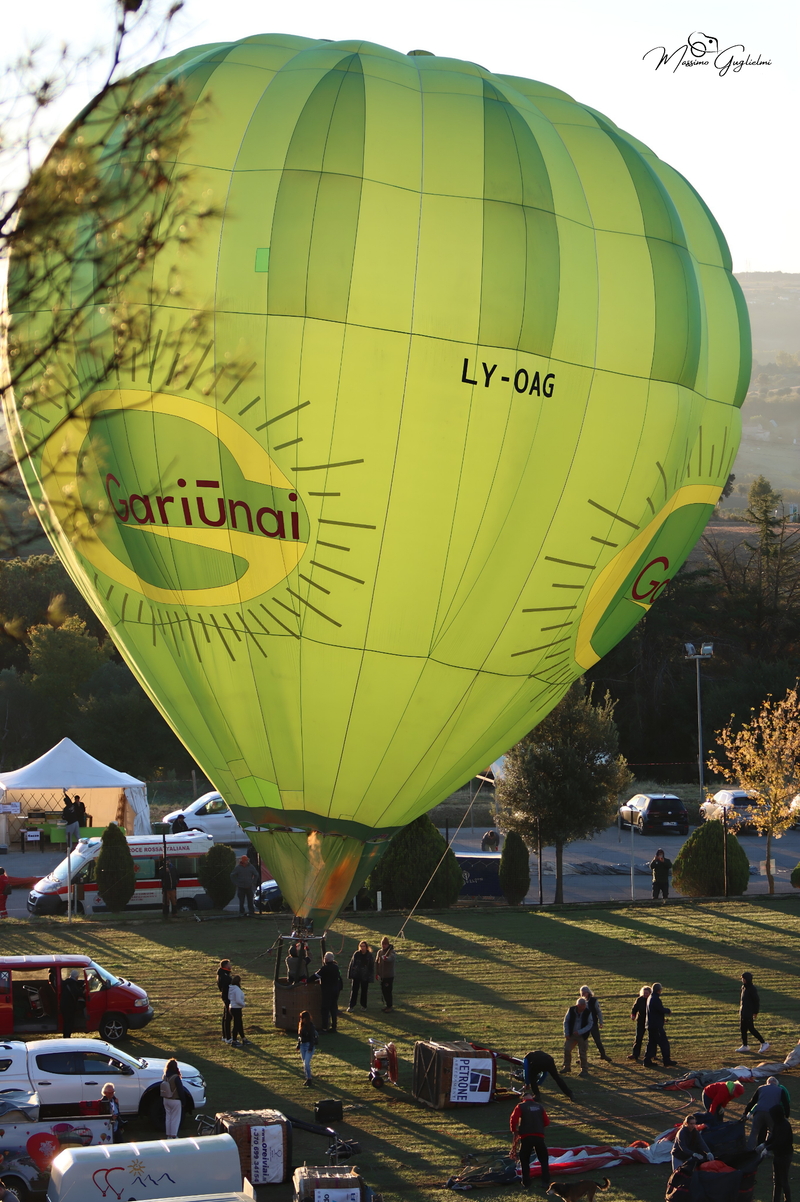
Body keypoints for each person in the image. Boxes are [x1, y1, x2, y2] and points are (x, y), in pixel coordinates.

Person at [509, 1088, 551, 1190]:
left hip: (526, 1137)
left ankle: (526, 1183)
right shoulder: (540, 1107)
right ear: (532, 1097)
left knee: (524, 1160)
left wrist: (514, 1130)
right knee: (544, 1160)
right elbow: (547, 1122)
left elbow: (513, 1119)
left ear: (523, 1098)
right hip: (539, 1137)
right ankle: (545, 1182)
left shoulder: (521, 1106)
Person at [744, 1076, 791, 1148]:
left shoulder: (761, 1088)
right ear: (776, 1083)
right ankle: (767, 1149)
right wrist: (786, 1116)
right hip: (771, 1114)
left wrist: (746, 1112)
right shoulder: (780, 1090)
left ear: (767, 1082)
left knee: (754, 1132)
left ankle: (750, 1149)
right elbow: (786, 1104)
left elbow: (753, 1102)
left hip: (758, 1112)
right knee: (772, 1132)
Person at [643, 982, 676, 1068]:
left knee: (651, 1043)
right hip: (656, 1026)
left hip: (650, 1024)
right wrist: (668, 1010)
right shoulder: (656, 999)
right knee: (664, 1043)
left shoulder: (650, 997)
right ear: (659, 990)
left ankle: (647, 1060)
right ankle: (666, 1060)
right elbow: (660, 1009)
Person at [765, 1104, 793, 1201]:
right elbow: (773, 1137)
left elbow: (779, 1142)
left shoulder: (784, 1126)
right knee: (777, 1181)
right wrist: (764, 1144)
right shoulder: (778, 1123)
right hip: (778, 1155)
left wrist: (767, 1148)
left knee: (783, 1180)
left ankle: (787, 1199)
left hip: (784, 1156)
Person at [738, 970, 770, 1054]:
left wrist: (755, 1012)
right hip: (743, 1012)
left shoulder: (752, 989)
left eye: (744, 979)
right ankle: (745, 1046)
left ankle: (764, 1043)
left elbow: (756, 1001)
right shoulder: (743, 987)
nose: (742, 980)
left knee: (751, 1029)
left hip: (748, 1012)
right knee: (743, 1029)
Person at [562, 997, 593, 1077]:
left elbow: (590, 1024)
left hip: (582, 1036)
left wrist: (580, 1032)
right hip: (571, 1035)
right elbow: (566, 1021)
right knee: (567, 1050)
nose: (584, 1008)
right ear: (578, 1005)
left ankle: (584, 1070)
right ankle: (567, 1066)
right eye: (582, 1006)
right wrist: (567, 1033)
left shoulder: (587, 1012)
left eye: (584, 1006)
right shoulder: (571, 1010)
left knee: (582, 1053)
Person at [579, 985, 610, 1062]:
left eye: (584, 993)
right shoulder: (580, 1001)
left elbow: (598, 1011)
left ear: (588, 992)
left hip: (593, 1023)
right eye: (582, 993)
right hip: (584, 1024)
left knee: (597, 1040)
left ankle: (603, 1054)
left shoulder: (593, 1001)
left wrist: (601, 1021)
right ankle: (582, 1058)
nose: (583, 994)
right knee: (582, 1041)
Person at [317, 951, 343, 1033]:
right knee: (333, 1009)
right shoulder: (336, 967)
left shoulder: (325, 968)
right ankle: (334, 1027)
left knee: (325, 1009)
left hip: (327, 991)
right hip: (335, 990)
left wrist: (307, 980)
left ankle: (324, 1028)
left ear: (326, 959)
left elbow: (316, 975)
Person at [347, 940, 374, 1011]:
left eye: (364, 946)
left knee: (364, 992)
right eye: (361, 946)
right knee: (354, 991)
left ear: (366, 947)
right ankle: (351, 1006)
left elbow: (371, 966)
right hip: (356, 975)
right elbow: (352, 964)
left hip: (365, 976)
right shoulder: (356, 954)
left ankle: (364, 1006)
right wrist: (350, 974)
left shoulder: (369, 955)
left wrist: (370, 977)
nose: (362, 948)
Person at [627, 986, 651, 1061]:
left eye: (646, 993)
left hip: (651, 1021)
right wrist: (633, 1015)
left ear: (650, 993)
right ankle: (635, 1054)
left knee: (652, 1038)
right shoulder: (639, 1000)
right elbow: (634, 1008)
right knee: (638, 1038)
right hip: (641, 1021)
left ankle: (653, 1054)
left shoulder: (652, 1000)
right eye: (644, 993)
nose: (645, 994)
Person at [161, 1057, 182, 1138]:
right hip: (175, 1100)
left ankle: (168, 1135)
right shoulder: (176, 1077)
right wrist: (183, 1101)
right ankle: (174, 1135)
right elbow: (180, 1090)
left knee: (168, 1118)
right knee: (175, 1119)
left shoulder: (165, 1076)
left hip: (166, 1099)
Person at [227, 974, 251, 1048]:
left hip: (232, 1007)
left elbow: (229, 997)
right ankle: (234, 1040)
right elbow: (238, 1000)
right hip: (237, 1008)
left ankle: (243, 1038)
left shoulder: (231, 988)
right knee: (236, 1025)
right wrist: (243, 1004)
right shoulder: (237, 989)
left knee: (239, 1024)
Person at [60, 969, 85, 1038]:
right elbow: (77, 993)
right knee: (69, 1023)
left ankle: (66, 1036)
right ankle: (67, 1036)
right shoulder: (73, 984)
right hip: (69, 1007)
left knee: (66, 1022)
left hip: (64, 1005)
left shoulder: (67, 982)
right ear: (76, 977)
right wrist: (83, 991)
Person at [376, 936, 396, 1013]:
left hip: (389, 976)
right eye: (382, 944)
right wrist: (377, 973)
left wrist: (386, 959)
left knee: (388, 991)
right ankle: (387, 1005)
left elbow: (392, 958)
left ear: (388, 944)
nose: (383, 945)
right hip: (382, 976)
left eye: (385, 944)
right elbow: (376, 963)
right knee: (384, 991)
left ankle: (390, 1006)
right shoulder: (379, 952)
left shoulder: (391, 951)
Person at [298, 1009, 317, 1086]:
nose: (301, 1020)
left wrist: (310, 1048)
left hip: (308, 1045)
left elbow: (312, 1038)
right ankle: (308, 1079)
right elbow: (300, 1037)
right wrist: (298, 1045)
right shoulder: (301, 1025)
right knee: (304, 1064)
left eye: (303, 1018)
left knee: (306, 1063)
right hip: (303, 1046)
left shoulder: (311, 1026)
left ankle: (309, 1079)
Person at [217, 958, 232, 1044]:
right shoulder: (225, 976)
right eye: (229, 965)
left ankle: (224, 1035)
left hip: (225, 997)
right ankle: (228, 1037)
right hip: (227, 997)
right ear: (225, 966)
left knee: (225, 1016)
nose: (231, 966)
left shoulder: (222, 974)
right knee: (228, 1017)